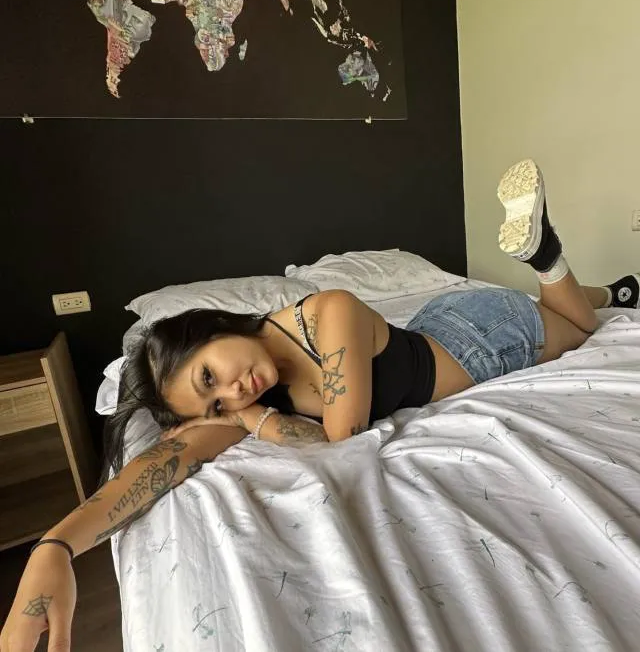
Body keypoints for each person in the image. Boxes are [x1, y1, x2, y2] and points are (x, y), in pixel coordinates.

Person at [1, 158, 638, 652]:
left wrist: (251, 421)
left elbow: (341, 431)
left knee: (578, 331)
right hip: (432, 325)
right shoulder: (252, 390)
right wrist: (55, 546)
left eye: (209, 376)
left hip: (478, 337)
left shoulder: (329, 310)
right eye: (214, 402)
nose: (232, 394)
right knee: (575, 312)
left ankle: (545, 255)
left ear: (214, 328)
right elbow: (167, 460)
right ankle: (617, 289)